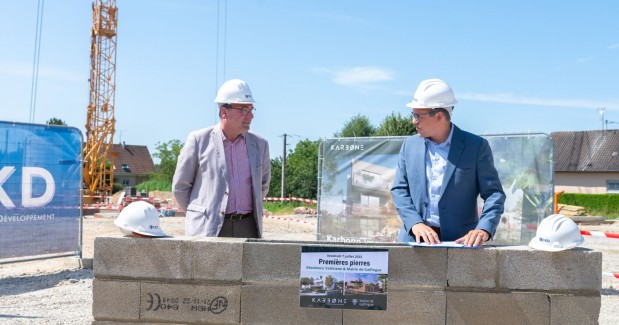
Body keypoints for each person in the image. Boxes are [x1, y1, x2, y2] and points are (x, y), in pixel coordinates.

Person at [390, 79, 505, 247]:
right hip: (414, 244)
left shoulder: (476, 147)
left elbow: (495, 194)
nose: (413, 121)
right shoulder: (409, 145)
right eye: (413, 115)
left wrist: (484, 229)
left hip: (461, 244)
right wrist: (415, 223)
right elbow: (399, 190)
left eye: (417, 116)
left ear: (438, 116)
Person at [172, 79, 271, 238]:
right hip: (208, 229)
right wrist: (201, 214)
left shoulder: (260, 145)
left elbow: (262, 186)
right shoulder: (198, 140)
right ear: (224, 112)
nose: (250, 116)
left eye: (251, 109)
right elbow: (180, 187)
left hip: (248, 228)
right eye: (244, 109)